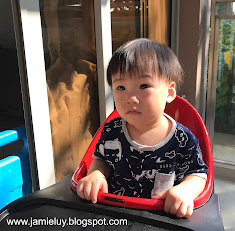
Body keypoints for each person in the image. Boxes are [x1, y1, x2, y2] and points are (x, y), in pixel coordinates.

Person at [77, 38, 208, 218]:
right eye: (121, 87)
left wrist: (185, 191)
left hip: (161, 216)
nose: (130, 98)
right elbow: (103, 159)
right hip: (115, 213)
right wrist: (96, 174)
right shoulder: (112, 130)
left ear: (169, 93)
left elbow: (198, 174)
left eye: (143, 86)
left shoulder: (183, 139)